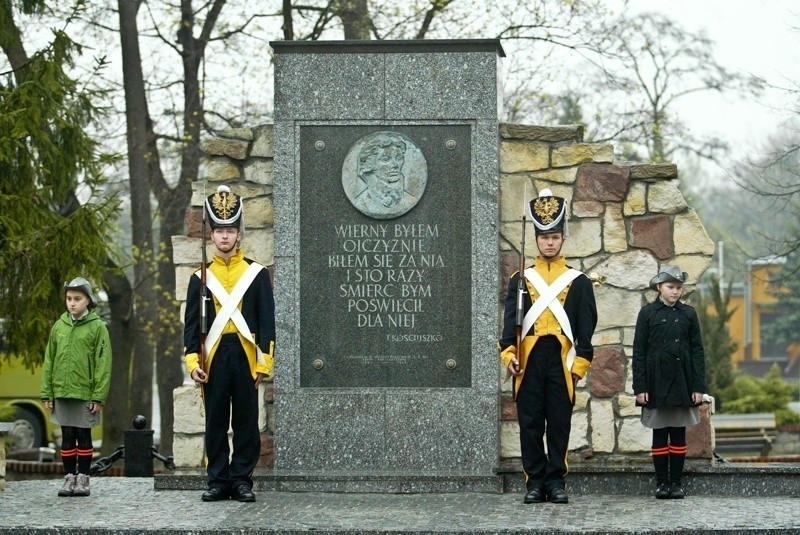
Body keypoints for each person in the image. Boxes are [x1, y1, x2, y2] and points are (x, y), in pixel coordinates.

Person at [498, 189, 597, 505]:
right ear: (537, 240)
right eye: (544, 237)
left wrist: (578, 367)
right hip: (529, 361)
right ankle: (534, 482)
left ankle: (556, 482)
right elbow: (508, 326)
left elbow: (586, 330)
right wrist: (509, 357)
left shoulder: (578, 282)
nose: (550, 242)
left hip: (560, 362)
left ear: (562, 239)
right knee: (529, 424)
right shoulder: (521, 279)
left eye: (555, 236)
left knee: (558, 424)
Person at [183, 184, 275, 503]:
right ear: (212, 235)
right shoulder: (200, 277)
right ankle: (218, 479)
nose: (224, 236)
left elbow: (266, 322)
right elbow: (192, 326)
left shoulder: (257, 273)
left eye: (230, 230)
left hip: (246, 355)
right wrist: (193, 363)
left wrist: (264, 362)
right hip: (215, 356)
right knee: (216, 420)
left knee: (247, 422)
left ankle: (241, 479)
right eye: (219, 230)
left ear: (240, 234)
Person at [633, 265, 706, 500]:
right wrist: (640, 387)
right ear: (658, 287)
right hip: (655, 382)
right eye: (670, 287)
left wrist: (698, 387)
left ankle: (676, 483)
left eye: (678, 288)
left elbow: (697, 351)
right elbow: (639, 352)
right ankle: (661, 484)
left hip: (682, 381)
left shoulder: (689, 314)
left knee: (678, 433)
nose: (675, 292)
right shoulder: (647, 314)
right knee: (658, 433)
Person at [40, 277, 112, 497]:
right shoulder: (59, 326)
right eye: (69, 298)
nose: (72, 303)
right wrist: (47, 392)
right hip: (62, 391)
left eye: (77, 299)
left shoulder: (97, 327)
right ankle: (69, 478)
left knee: (84, 435)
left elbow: (103, 362)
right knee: (67, 436)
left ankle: (84, 479)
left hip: (85, 392)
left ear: (88, 301)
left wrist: (98, 396)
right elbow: (49, 360)